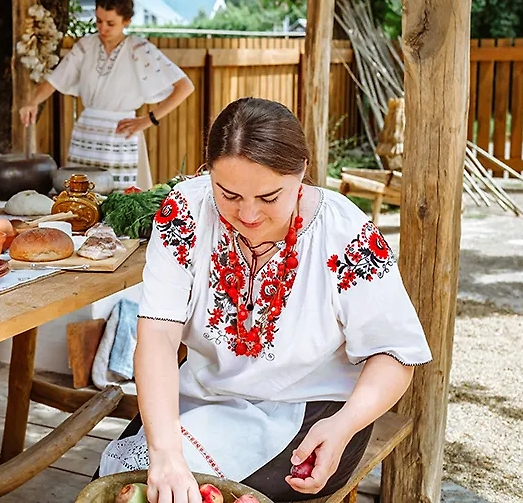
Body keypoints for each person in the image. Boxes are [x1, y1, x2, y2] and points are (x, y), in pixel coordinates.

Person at [96, 97, 432, 502]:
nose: (249, 215)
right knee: (118, 483)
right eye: (228, 194)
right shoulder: (185, 213)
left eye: (269, 197)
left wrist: (344, 425)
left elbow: (395, 354)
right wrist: (166, 453)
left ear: (302, 172)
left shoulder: (346, 235)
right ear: (208, 172)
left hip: (316, 413)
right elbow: (158, 337)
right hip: (203, 397)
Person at [19, 0, 195, 192]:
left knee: (120, 200)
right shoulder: (86, 45)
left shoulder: (139, 49)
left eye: (110, 23)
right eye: (99, 21)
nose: (103, 28)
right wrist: (33, 102)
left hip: (121, 133)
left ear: (126, 21)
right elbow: (55, 80)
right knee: (80, 196)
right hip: (86, 133)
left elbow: (185, 87)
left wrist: (149, 119)